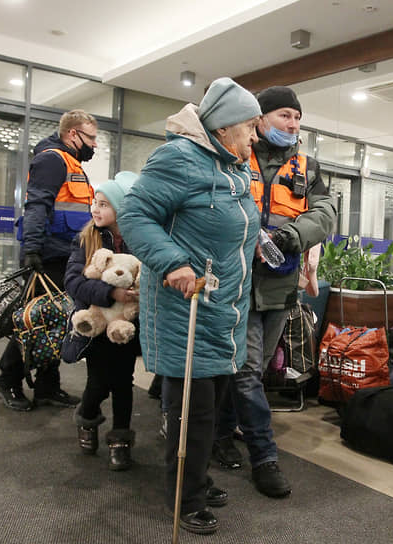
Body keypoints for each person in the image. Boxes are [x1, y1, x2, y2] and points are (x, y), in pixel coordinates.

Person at [120, 77, 261, 535]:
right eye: (251, 128)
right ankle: (183, 495)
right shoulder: (179, 158)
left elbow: (227, 227)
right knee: (192, 413)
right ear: (224, 128)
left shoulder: (233, 167)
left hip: (225, 309)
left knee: (213, 407)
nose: (256, 137)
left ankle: (196, 477)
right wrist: (173, 262)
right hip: (187, 306)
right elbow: (135, 215)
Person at [213, 86, 337, 498]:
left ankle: (219, 435)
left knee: (251, 370)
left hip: (281, 287)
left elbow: (325, 213)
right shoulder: (233, 155)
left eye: (297, 118)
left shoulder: (308, 166)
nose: (293, 124)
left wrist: (289, 237)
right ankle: (264, 458)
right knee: (247, 372)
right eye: (285, 115)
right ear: (260, 118)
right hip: (237, 283)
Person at [0, 109, 98, 411]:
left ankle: (47, 385)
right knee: (35, 321)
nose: (94, 145)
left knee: (57, 323)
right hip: (48, 257)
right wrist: (32, 249)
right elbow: (36, 206)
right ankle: (9, 380)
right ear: (72, 134)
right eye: (91, 138)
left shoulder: (71, 163)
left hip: (66, 256)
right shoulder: (52, 160)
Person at [62, 174, 141, 471]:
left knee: (123, 382)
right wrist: (110, 292)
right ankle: (88, 417)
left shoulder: (138, 240)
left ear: (121, 209)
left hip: (124, 326)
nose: (95, 209)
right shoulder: (86, 238)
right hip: (94, 326)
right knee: (97, 383)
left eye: (104, 204)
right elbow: (73, 282)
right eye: (94, 202)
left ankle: (120, 439)